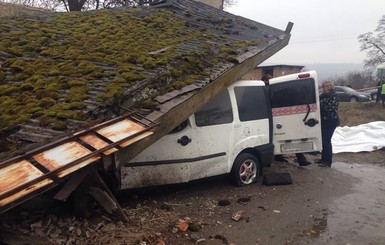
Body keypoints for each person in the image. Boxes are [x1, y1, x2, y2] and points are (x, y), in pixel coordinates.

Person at [261, 73, 311, 167]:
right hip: (271, 117)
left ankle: (299, 158)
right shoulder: (266, 90)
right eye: (268, 81)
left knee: (286, 137)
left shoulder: (272, 89)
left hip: (279, 116)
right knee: (280, 137)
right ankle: (295, 158)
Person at [317, 80, 340, 167]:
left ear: (330, 87)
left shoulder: (334, 96)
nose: (324, 89)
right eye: (323, 87)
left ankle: (328, 161)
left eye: (326, 87)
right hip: (323, 121)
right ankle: (323, 159)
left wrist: (321, 105)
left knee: (326, 140)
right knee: (323, 140)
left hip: (331, 121)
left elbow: (329, 107)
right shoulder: (322, 96)